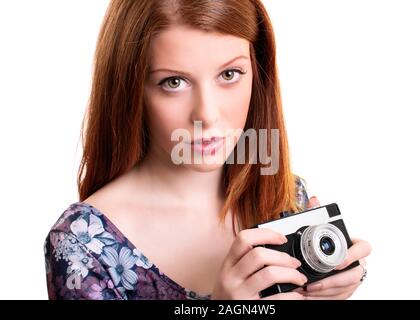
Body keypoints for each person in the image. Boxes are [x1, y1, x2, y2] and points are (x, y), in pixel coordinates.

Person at [44, 0, 371, 300]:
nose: (207, 114)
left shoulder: (287, 196)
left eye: (230, 74)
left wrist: (334, 286)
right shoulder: (82, 244)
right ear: (130, 89)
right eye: (174, 82)